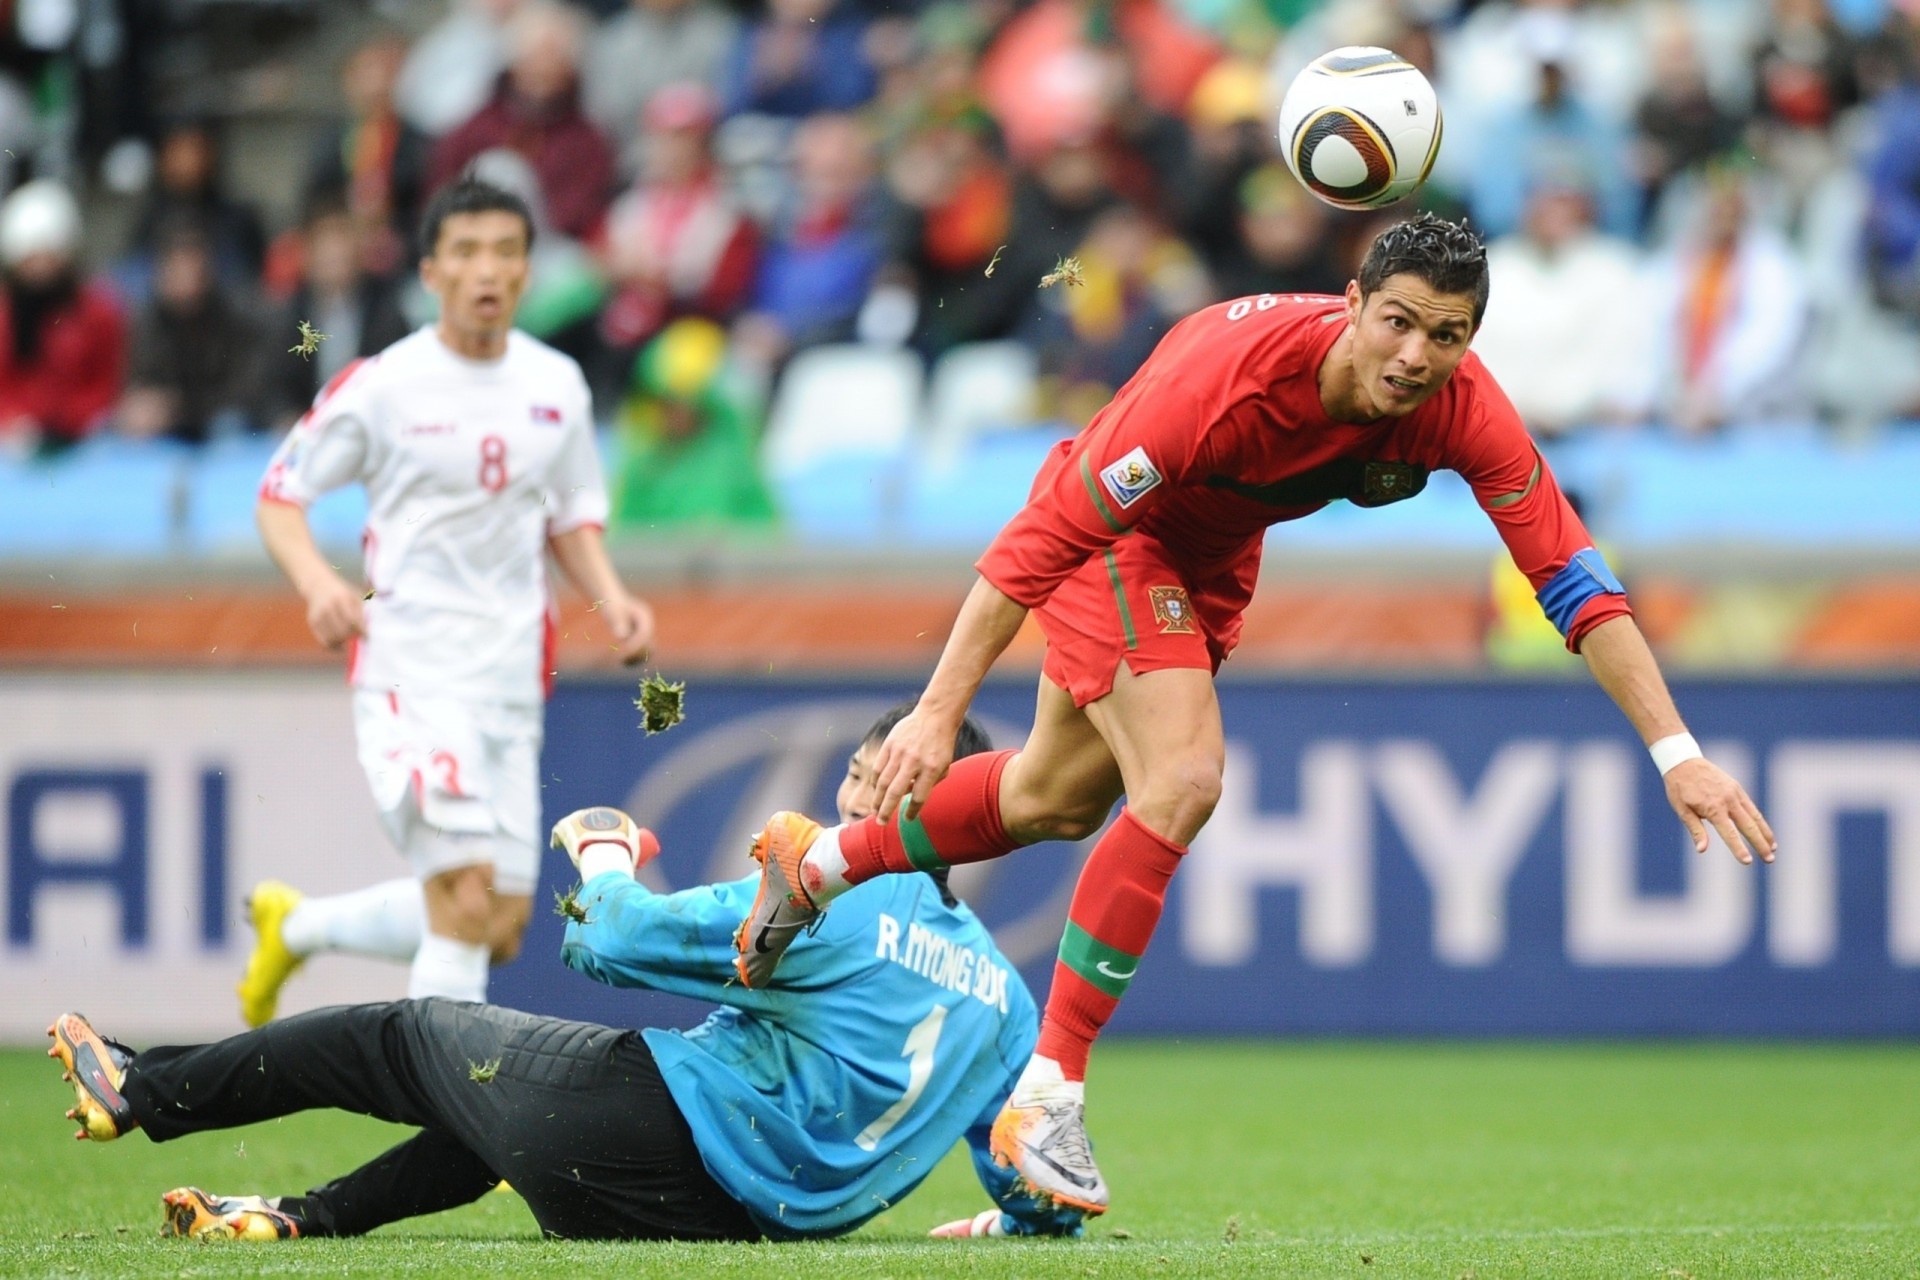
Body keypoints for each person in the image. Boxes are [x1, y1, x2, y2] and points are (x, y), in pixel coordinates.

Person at [729, 213, 1779, 1217]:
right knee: (1184, 777)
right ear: (1353, 302)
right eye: (1398, 322)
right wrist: (935, 710)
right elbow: (1037, 541)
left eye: (1448, 335)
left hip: (1216, 561)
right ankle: (1047, 1097)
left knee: (1053, 800)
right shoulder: (1220, 385)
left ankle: (816, 864)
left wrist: (1675, 752)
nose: (1416, 356)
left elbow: (1574, 579)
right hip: (1120, 540)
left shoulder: (1465, 408)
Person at [47, 711, 1082, 1244]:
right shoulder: (1000, 994)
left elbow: (616, 939)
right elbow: (1029, 1163)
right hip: (722, 1218)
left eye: (876, 781)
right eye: (854, 773)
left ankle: (140, 1089)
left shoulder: (828, 886)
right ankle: (299, 1219)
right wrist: (1019, 1219)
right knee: (488, 1102)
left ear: (927, 807)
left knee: (403, 1035)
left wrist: (603, 850)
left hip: (649, 1134)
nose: (852, 797)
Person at [241, 177, 653, 1024]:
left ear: (528, 270)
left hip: (510, 675)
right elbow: (280, 494)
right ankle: (444, 1107)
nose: (486, 270)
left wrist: (611, 598)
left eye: (505, 252)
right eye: (465, 252)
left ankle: (299, 925)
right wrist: (320, 584)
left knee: (496, 925)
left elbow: (568, 515)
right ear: (430, 272)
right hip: (413, 671)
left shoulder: (558, 386)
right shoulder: (384, 385)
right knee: (464, 899)